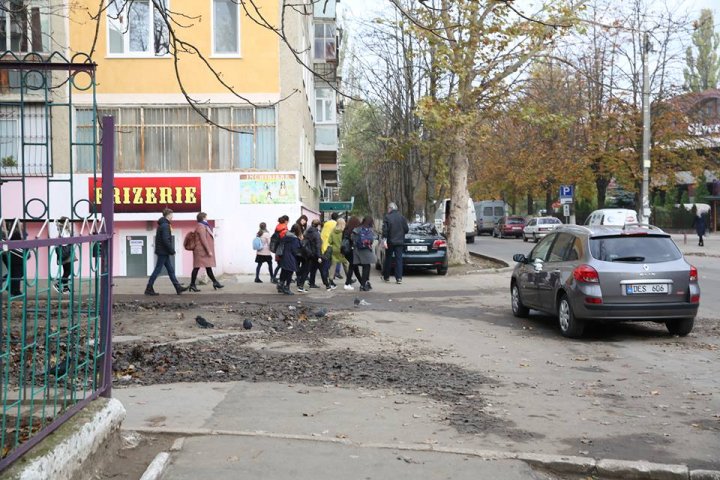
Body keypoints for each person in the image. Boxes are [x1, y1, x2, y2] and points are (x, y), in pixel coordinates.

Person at [145, 208, 188, 296]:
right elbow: (165, 239)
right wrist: (171, 250)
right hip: (163, 251)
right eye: (172, 215)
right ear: (168, 215)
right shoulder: (165, 225)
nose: (173, 216)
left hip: (163, 251)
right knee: (158, 270)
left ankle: (177, 287)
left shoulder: (163, 225)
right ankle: (149, 288)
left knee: (170, 270)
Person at [189, 212, 224, 292]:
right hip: (201, 251)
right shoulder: (201, 226)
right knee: (197, 267)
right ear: (203, 218)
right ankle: (192, 284)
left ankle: (215, 282)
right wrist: (209, 251)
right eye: (206, 217)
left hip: (202, 251)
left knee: (208, 267)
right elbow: (203, 239)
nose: (207, 218)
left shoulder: (204, 226)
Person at [382, 202, 409, 284]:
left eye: (388, 209)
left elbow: (385, 230)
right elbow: (406, 229)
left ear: (390, 208)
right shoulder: (402, 218)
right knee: (399, 259)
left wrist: (384, 240)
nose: (388, 210)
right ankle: (399, 278)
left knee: (388, 259)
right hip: (400, 242)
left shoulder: (387, 217)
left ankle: (386, 277)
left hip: (390, 241)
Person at [305, 218, 334, 291]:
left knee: (312, 269)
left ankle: (310, 283)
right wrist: (319, 257)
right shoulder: (317, 234)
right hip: (316, 255)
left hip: (310, 254)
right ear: (318, 225)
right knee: (322, 270)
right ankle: (327, 285)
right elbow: (318, 246)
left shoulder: (307, 232)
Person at [352, 216, 377, 292]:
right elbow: (371, 240)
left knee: (365, 267)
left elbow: (353, 238)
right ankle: (363, 285)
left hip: (357, 250)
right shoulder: (369, 230)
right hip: (366, 250)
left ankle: (365, 283)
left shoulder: (357, 228)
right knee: (366, 267)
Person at [277, 223, 303, 295]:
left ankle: (280, 285)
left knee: (284, 271)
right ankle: (287, 287)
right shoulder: (294, 239)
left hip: (283, 256)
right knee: (290, 272)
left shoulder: (286, 235)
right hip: (290, 257)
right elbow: (295, 250)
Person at [1, 220, 24, 296]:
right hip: (15, 257)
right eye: (21, 223)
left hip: (12, 256)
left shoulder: (11, 233)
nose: (22, 224)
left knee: (15, 273)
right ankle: (14, 290)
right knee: (17, 273)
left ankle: (11, 288)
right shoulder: (16, 234)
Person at [329, 218, 352, 290]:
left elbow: (329, 241)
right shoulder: (344, 231)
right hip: (342, 250)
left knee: (333, 265)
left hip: (334, 250)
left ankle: (331, 280)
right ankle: (349, 279)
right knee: (346, 263)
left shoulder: (333, 230)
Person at [54, 216, 73, 294]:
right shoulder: (63, 230)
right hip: (65, 252)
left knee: (66, 270)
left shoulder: (62, 229)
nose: (69, 223)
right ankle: (58, 284)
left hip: (64, 251)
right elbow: (65, 242)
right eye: (68, 222)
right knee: (68, 271)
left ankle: (65, 288)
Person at [344, 216, 362, 286]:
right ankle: (347, 283)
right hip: (353, 250)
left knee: (354, 267)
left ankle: (362, 283)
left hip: (346, 251)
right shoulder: (356, 230)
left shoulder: (346, 229)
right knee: (352, 266)